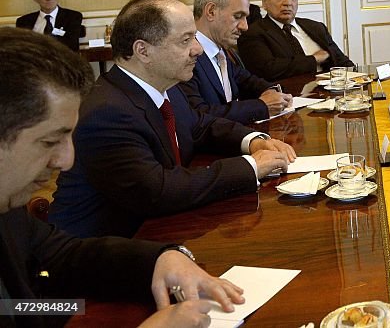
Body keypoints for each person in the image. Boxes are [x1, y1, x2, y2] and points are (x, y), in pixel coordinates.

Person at [0, 28, 245, 328]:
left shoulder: (8, 203)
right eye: (50, 141)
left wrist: (159, 260)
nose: (67, 161)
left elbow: (55, 265)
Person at [50, 0, 296, 239]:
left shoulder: (166, 88)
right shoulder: (107, 112)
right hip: (99, 253)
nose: (198, 49)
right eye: (186, 40)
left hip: (158, 232)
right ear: (143, 51)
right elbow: (158, 190)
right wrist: (252, 166)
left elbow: (201, 126)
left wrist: (254, 141)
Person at [181, 0, 292, 125]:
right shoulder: (185, 56)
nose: (245, 27)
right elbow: (199, 115)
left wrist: (272, 91)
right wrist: (261, 106)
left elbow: (248, 81)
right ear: (211, 11)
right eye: (238, 16)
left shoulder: (222, 51)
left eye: (246, 18)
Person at [238, 0, 352, 80]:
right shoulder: (253, 33)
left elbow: (344, 63)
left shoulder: (316, 27)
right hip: (289, 96)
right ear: (265, 2)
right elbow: (269, 70)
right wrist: (314, 59)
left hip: (332, 91)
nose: (287, 2)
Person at [15, 0, 84, 52]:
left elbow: (71, 45)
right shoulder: (23, 21)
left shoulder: (72, 16)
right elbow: (22, 47)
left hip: (62, 60)